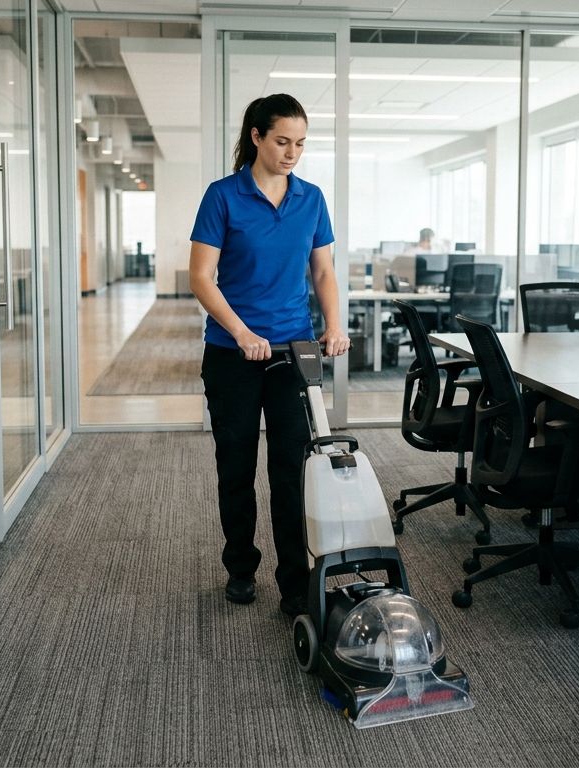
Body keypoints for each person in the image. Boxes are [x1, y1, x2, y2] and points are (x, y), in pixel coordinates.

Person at [189, 93, 349, 618]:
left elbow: (322, 272)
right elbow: (201, 277)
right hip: (233, 353)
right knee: (235, 465)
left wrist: (334, 324)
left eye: (300, 143)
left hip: (292, 353)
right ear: (256, 136)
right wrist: (240, 332)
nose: (292, 153)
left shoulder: (311, 199)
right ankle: (240, 567)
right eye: (282, 141)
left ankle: (293, 584)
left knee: (291, 471)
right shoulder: (223, 197)